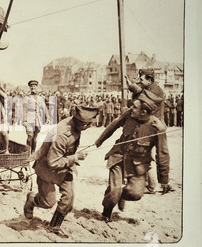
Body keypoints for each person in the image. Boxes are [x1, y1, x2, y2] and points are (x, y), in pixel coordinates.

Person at [94, 90, 171, 223]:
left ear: (144, 112)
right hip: (118, 156)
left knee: (135, 194)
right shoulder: (129, 114)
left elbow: (163, 153)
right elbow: (114, 124)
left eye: (135, 107)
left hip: (138, 164)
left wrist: (164, 179)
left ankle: (121, 196)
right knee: (114, 192)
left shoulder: (157, 128)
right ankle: (106, 212)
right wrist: (100, 140)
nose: (131, 108)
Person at [23, 105, 99, 238]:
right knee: (48, 203)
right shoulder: (63, 134)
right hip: (47, 169)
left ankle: (54, 227)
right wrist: (75, 157)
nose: (89, 127)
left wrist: (71, 158)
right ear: (82, 123)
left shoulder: (74, 123)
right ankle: (31, 200)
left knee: (68, 200)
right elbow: (53, 162)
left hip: (64, 167)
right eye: (88, 124)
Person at [22, 80, 50, 153]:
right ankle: (27, 151)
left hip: (38, 119)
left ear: (37, 87)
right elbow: (24, 109)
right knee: (30, 135)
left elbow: (44, 108)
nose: (33, 87)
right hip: (29, 118)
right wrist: (24, 120)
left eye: (34, 86)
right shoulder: (26, 98)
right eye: (31, 86)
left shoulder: (40, 98)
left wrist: (47, 117)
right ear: (30, 87)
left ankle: (33, 152)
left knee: (35, 138)